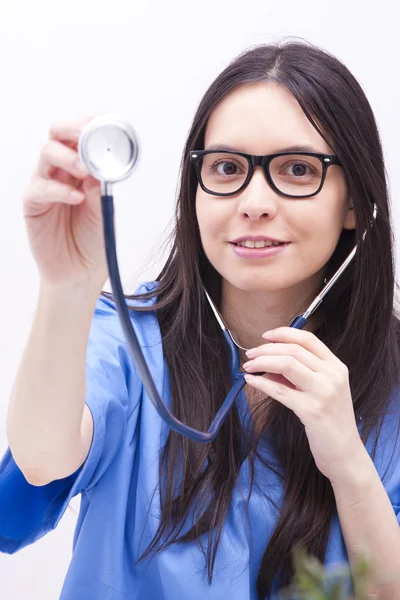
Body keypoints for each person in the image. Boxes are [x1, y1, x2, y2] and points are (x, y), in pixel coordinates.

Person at [1, 39, 400, 600]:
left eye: (297, 168)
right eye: (228, 167)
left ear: (355, 201)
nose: (254, 201)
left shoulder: (393, 379)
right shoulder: (126, 342)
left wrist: (349, 462)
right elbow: (42, 461)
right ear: (195, 191)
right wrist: (67, 289)